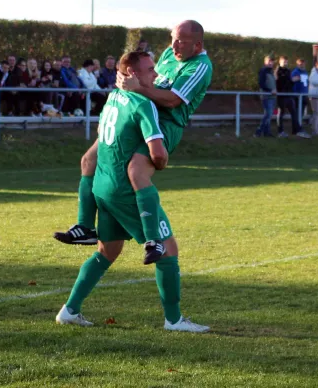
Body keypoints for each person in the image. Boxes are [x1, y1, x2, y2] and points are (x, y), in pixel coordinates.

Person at [55, 51, 209, 333]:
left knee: (108, 250)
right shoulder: (143, 103)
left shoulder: (112, 98)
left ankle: (70, 310)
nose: (157, 75)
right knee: (168, 248)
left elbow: (95, 149)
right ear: (134, 75)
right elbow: (158, 155)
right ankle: (174, 320)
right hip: (127, 191)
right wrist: (161, 162)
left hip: (102, 185)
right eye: (151, 70)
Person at [53, 20, 213, 265]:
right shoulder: (171, 53)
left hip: (166, 124)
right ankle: (85, 227)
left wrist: (137, 88)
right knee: (88, 160)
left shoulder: (200, 66)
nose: (174, 45)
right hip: (140, 111)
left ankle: (153, 240)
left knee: (136, 171)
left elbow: (171, 100)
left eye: (182, 41)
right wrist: (127, 77)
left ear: (198, 44)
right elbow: (152, 78)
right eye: (173, 38)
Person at [255, 55, 276, 137]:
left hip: (272, 97)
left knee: (269, 115)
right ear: (265, 62)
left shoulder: (271, 72)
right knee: (268, 114)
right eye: (269, 61)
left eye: (272, 61)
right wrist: (270, 91)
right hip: (266, 96)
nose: (271, 63)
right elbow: (261, 84)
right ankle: (258, 131)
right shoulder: (263, 71)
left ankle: (267, 132)